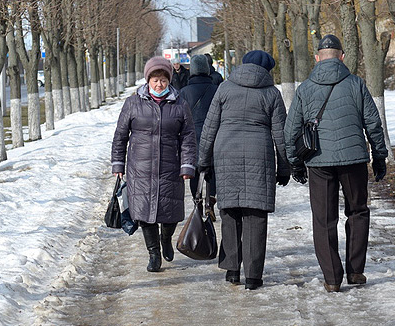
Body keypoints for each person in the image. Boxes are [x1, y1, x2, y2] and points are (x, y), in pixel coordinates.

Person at [284, 34, 388, 293]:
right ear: (342, 56)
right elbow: (373, 123)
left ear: (317, 58)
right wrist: (379, 155)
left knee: (323, 219)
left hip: (319, 162)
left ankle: (332, 278)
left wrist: (295, 163)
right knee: (358, 211)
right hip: (353, 160)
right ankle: (355, 271)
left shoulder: (305, 88)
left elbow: (291, 131)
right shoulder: (356, 84)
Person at [197, 50, 290, 290]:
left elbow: (209, 127)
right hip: (260, 155)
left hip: (225, 151)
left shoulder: (225, 88)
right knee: (256, 216)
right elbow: (281, 134)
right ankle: (253, 276)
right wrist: (285, 166)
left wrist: (204, 160)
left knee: (229, 212)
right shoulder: (271, 93)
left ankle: (231, 270)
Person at [112, 56, 197, 272]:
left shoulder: (180, 104)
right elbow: (120, 135)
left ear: (169, 81)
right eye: (155, 80)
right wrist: (118, 164)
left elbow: (188, 137)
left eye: (163, 80)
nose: (159, 84)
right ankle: (154, 253)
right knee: (144, 214)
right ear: (148, 80)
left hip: (170, 167)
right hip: (140, 169)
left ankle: (166, 238)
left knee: (170, 212)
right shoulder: (132, 103)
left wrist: (187, 165)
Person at [179, 54, 219, 213]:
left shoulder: (184, 92)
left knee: (195, 170)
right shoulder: (218, 90)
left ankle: (198, 202)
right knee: (213, 168)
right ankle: (211, 199)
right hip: (214, 134)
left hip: (192, 136)